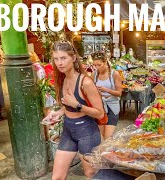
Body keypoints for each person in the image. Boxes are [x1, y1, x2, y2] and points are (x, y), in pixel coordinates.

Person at [42, 41, 105, 179]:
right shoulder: (62, 79)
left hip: (87, 131)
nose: (60, 63)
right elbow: (68, 105)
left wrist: (77, 105)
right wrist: (58, 113)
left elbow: (100, 113)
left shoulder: (85, 82)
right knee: (57, 177)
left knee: (91, 174)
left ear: (74, 58)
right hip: (69, 130)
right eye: (56, 59)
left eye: (63, 58)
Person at [92, 52, 122, 140]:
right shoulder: (94, 75)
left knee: (108, 137)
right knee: (104, 134)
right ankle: (107, 152)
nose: (97, 67)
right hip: (100, 107)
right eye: (94, 65)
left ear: (105, 62)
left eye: (99, 65)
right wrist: (96, 93)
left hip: (112, 106)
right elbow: (90, 91)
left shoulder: (114, 74)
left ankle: (107, 152)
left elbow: (119, 93)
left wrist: (106, 90)